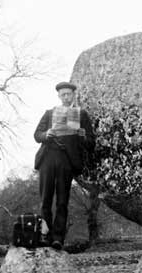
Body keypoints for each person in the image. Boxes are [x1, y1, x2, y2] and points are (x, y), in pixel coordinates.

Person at [33, 81, 94, 250]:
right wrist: (47, 134)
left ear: (74, 95)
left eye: (69, 94)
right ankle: (44, 236)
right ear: (59, 96)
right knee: (45, 200)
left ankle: (58, 238)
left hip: (67, 161)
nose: (66, 97)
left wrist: (82, 136)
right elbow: (36, 135)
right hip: (47, 158)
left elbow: (91, 142)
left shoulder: (82, 115)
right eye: (63, 95)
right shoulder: (49, 113)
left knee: (62, 201)